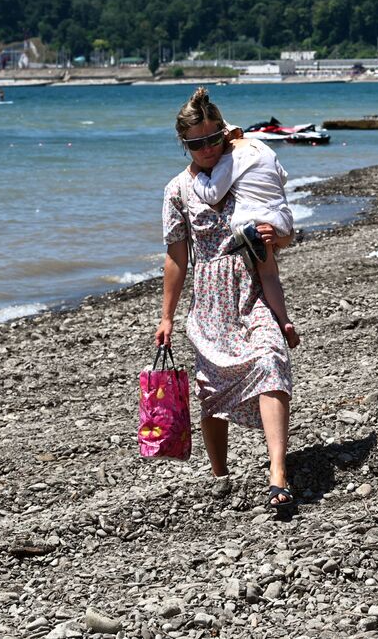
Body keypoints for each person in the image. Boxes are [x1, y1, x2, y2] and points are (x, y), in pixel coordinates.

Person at [156, 87, 298, 518]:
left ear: (225, 133)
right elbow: (176, 257)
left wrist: (284, 316)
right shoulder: (178, 190)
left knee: (271, 359)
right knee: (210, 391)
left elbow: (281, 237)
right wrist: (166, 316)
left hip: (254, 285)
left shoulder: (247, 168)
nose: (206, 150)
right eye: (195, 144)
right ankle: (221, 474)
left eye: (212, 140)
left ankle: (278, 474)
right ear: (184, 144)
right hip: (210, 297)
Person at [192, 124, 301, 352]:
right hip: (282, 216)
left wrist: (197, 177)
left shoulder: (229, 157)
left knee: (266, 273)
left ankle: (281, 319)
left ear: (224, 139)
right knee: (271, 273)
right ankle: (284, 319)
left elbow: (213, 194)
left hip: (252, 220)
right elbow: (283, 177)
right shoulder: (262, 147)